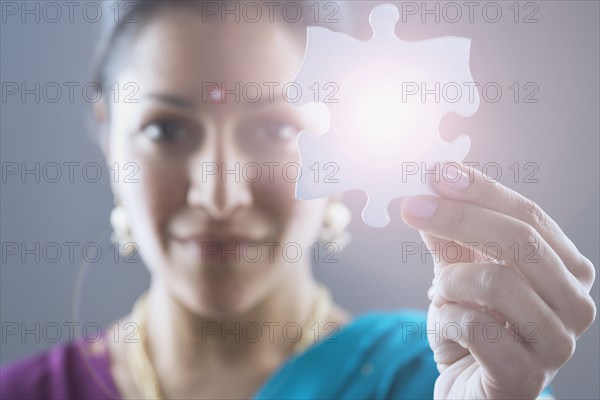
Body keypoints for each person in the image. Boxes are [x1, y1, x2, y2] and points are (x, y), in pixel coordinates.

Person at [0, 1, 595, 399]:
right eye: (167, 131)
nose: (219, 195)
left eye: (276, 129)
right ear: (109, 136)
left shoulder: (436, 378)